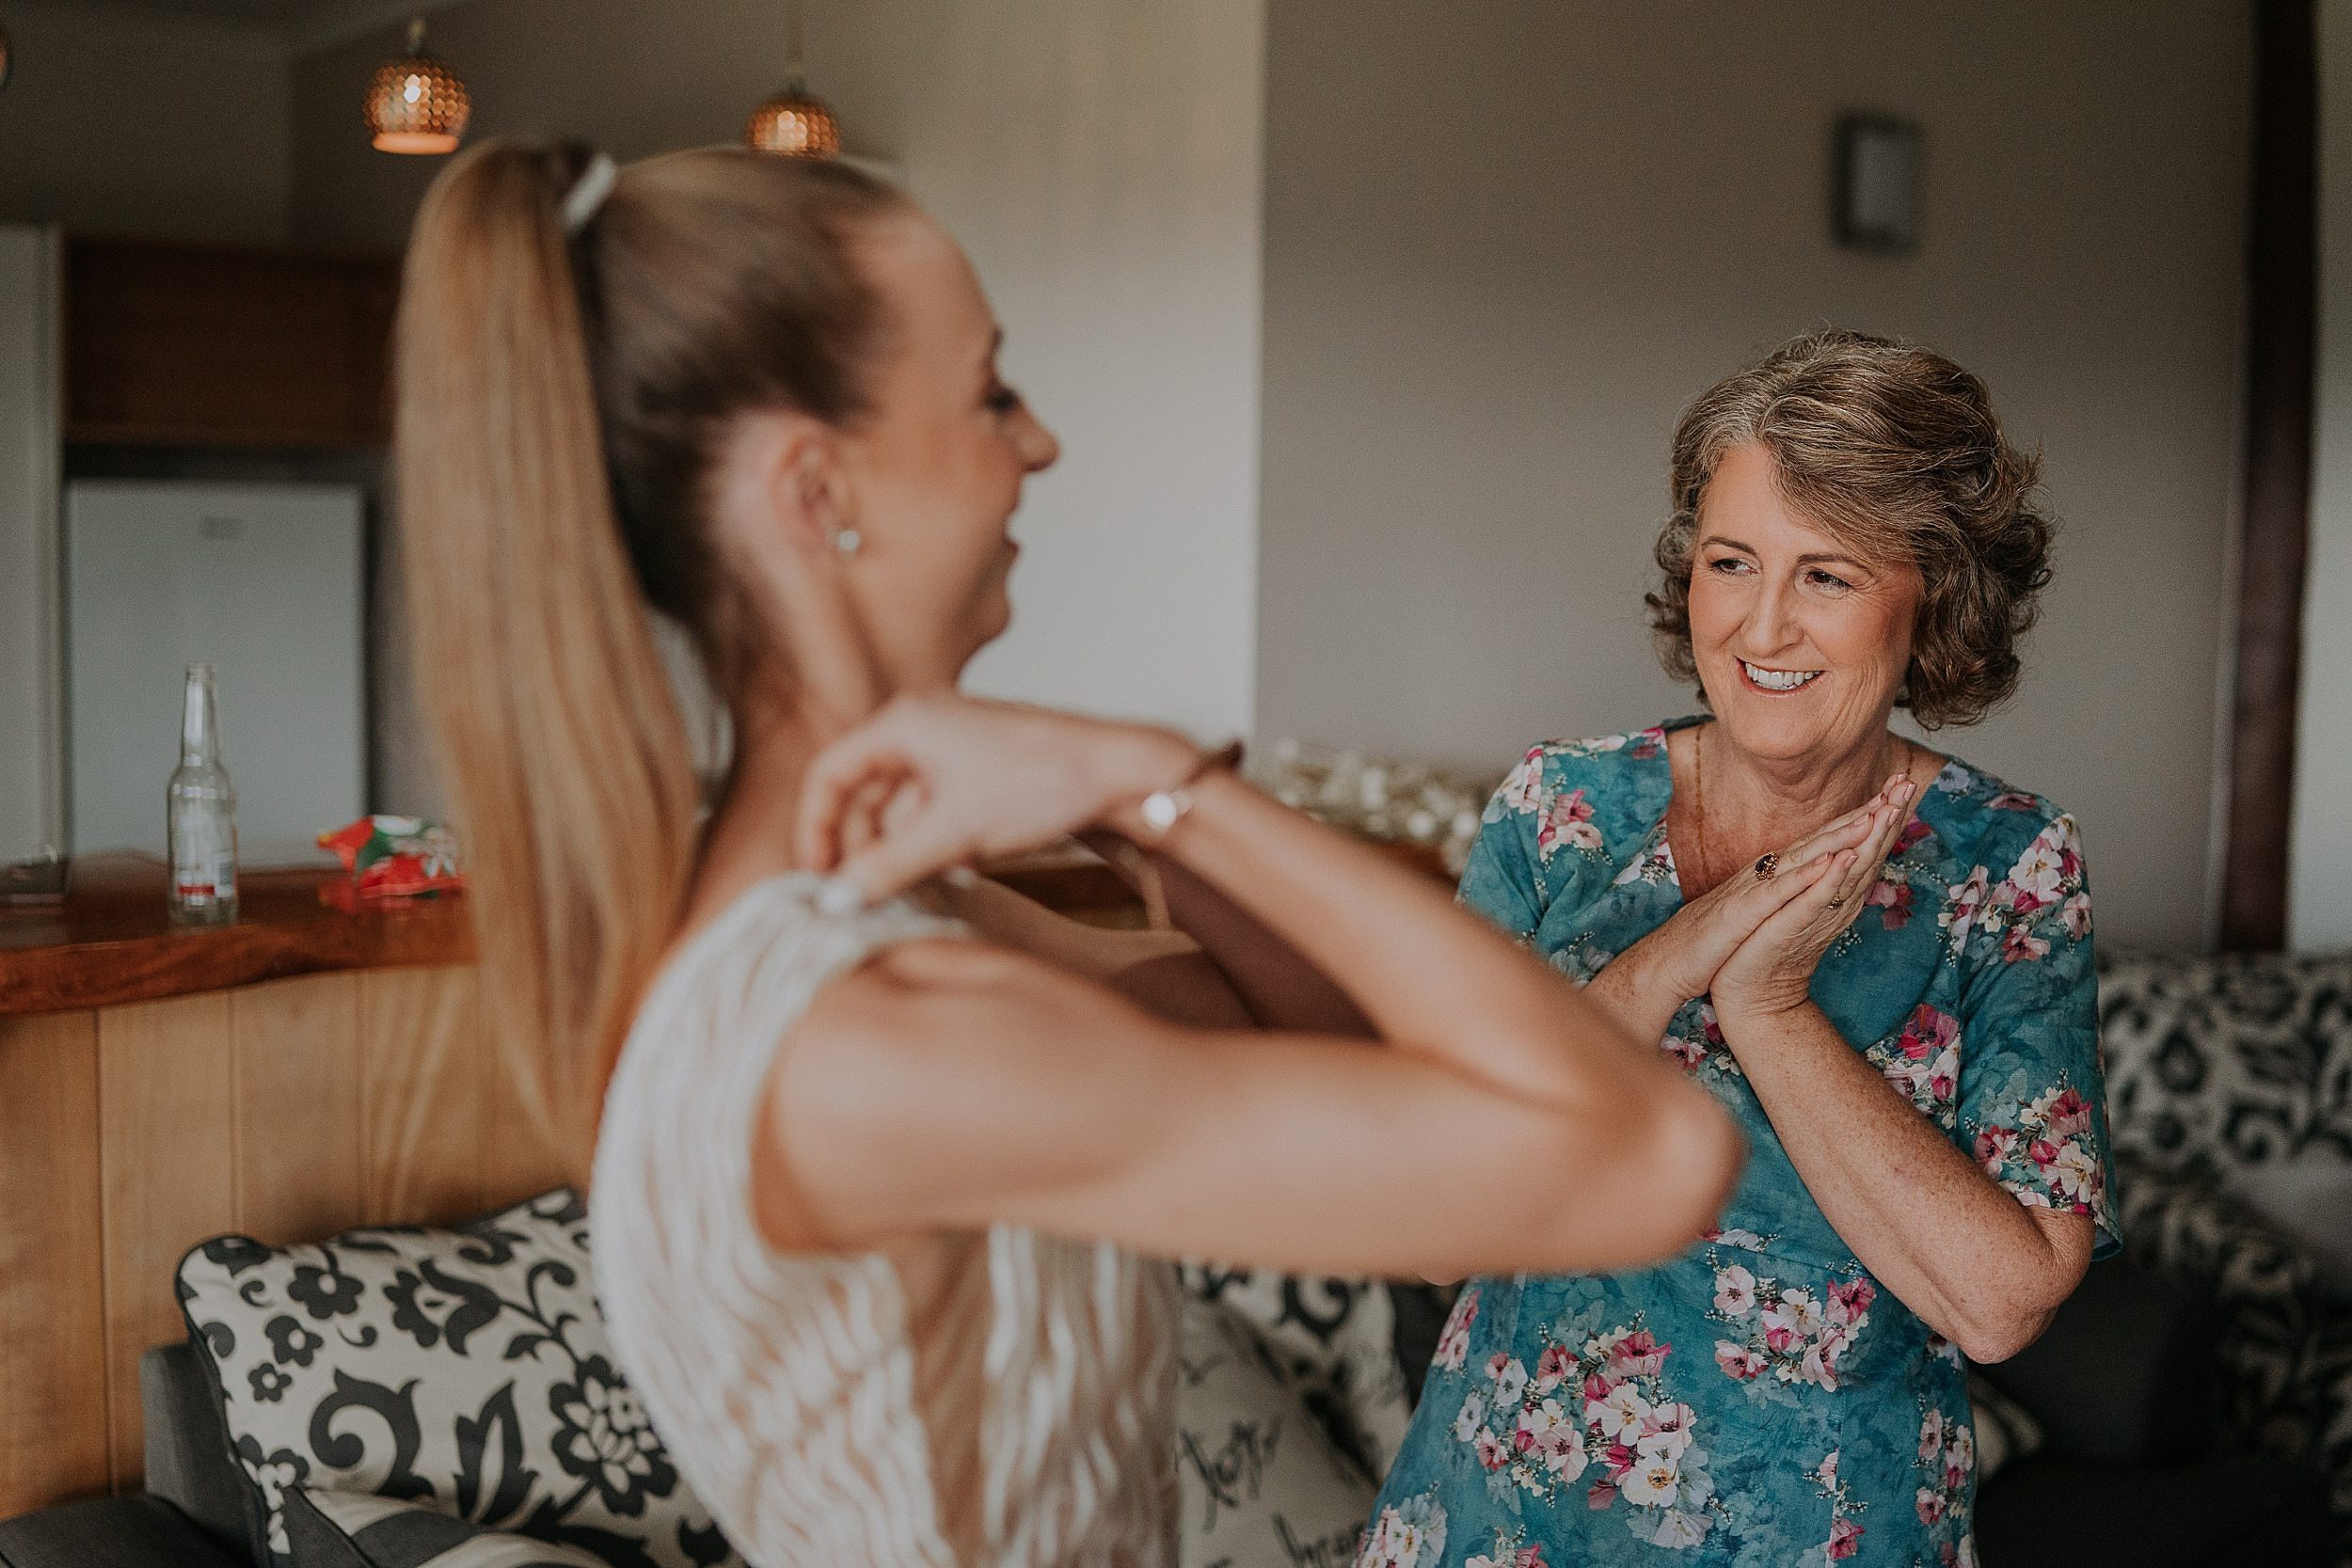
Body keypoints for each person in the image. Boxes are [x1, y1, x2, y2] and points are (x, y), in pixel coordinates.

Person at [392, 139, 1740, 1568]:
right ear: (812, 491)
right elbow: (1649, 1154)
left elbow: (1322, 1031)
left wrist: (1116, 802)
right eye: (990, 391)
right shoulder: (879, 1037)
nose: (1037, 442)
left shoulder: (883, 923)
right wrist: (1154, 777)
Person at [1360, 330, 2120, 1567]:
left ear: (1932, 592)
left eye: (1827, 574)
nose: (1762, 624)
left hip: (1826, 1533)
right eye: (1730, 562)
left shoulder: (2008, 866)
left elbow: (2000, 1300)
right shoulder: (1562, 816)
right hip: (1503, 1522)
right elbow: (1431, 1221)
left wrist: (1773, 1013)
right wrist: (1677, 953)